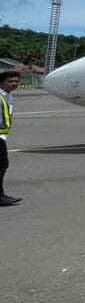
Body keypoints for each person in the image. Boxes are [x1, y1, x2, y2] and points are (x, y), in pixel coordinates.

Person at [0, 70, 23, 207]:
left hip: (2, 136)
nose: (14, 84)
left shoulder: (7, 96)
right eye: (10, 81)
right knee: (2, 165)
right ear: (1, 82)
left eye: (16, 81)